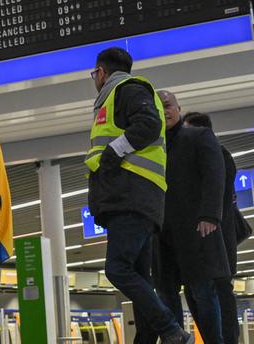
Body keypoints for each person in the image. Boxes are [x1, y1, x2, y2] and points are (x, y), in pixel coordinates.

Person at [85, 47, 194, 344]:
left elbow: (148, 123)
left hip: (130, 196)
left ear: (101, 72)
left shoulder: (127, 89)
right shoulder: (117, 94)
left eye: (94, 74)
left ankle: (171, 330)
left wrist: (113, 153)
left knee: (117, 268)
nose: (95, 79)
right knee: (139, 275)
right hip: (134, 197)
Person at [155, 92, 228, 344]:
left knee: (202, 292)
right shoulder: (151, 146)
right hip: (161, 231)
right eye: (158, 107)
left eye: (168, 106)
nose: (164, 111)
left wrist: (210, 215)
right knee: (166, 293)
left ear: (178, 108)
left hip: (195, 228)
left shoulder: (197, 136)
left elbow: (214, 174)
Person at [183, 111, 244, 344]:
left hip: (216, 241)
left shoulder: (218, 156)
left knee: (217, 292)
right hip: (204, 242)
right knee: (196, 292)